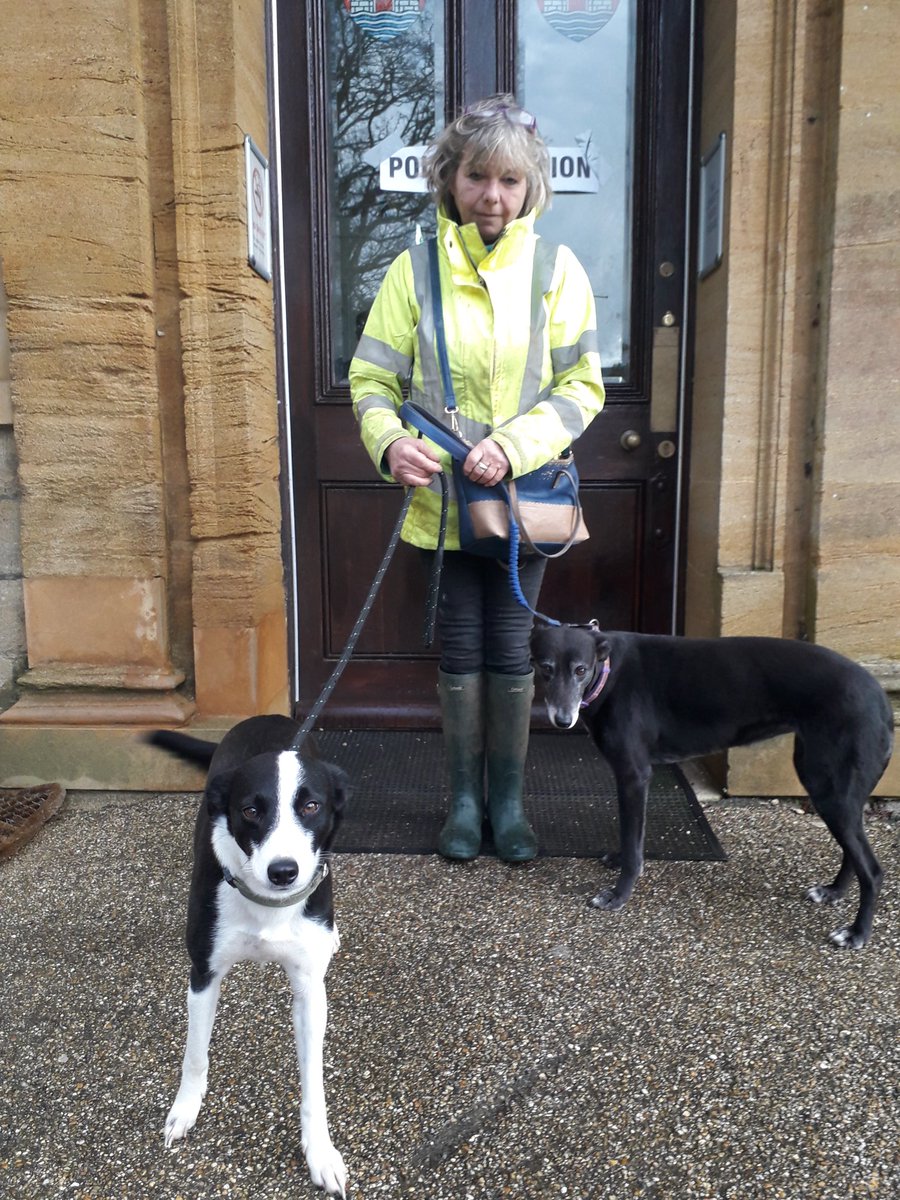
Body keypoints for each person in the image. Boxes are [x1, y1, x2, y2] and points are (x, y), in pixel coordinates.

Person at [350, 95, 605, 863]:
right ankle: (462, 804)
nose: (492, 196)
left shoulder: (558, 271)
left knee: (510, 647)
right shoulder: (410, 269)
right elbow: (370, 381)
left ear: (531, 189)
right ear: (449, 180)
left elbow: (582, 386)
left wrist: (515, 446)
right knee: (459, 650)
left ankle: (510, 806)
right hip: (444, 507)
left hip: (524, 505)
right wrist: (390, 444)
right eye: (477, 178)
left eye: (510, 181)